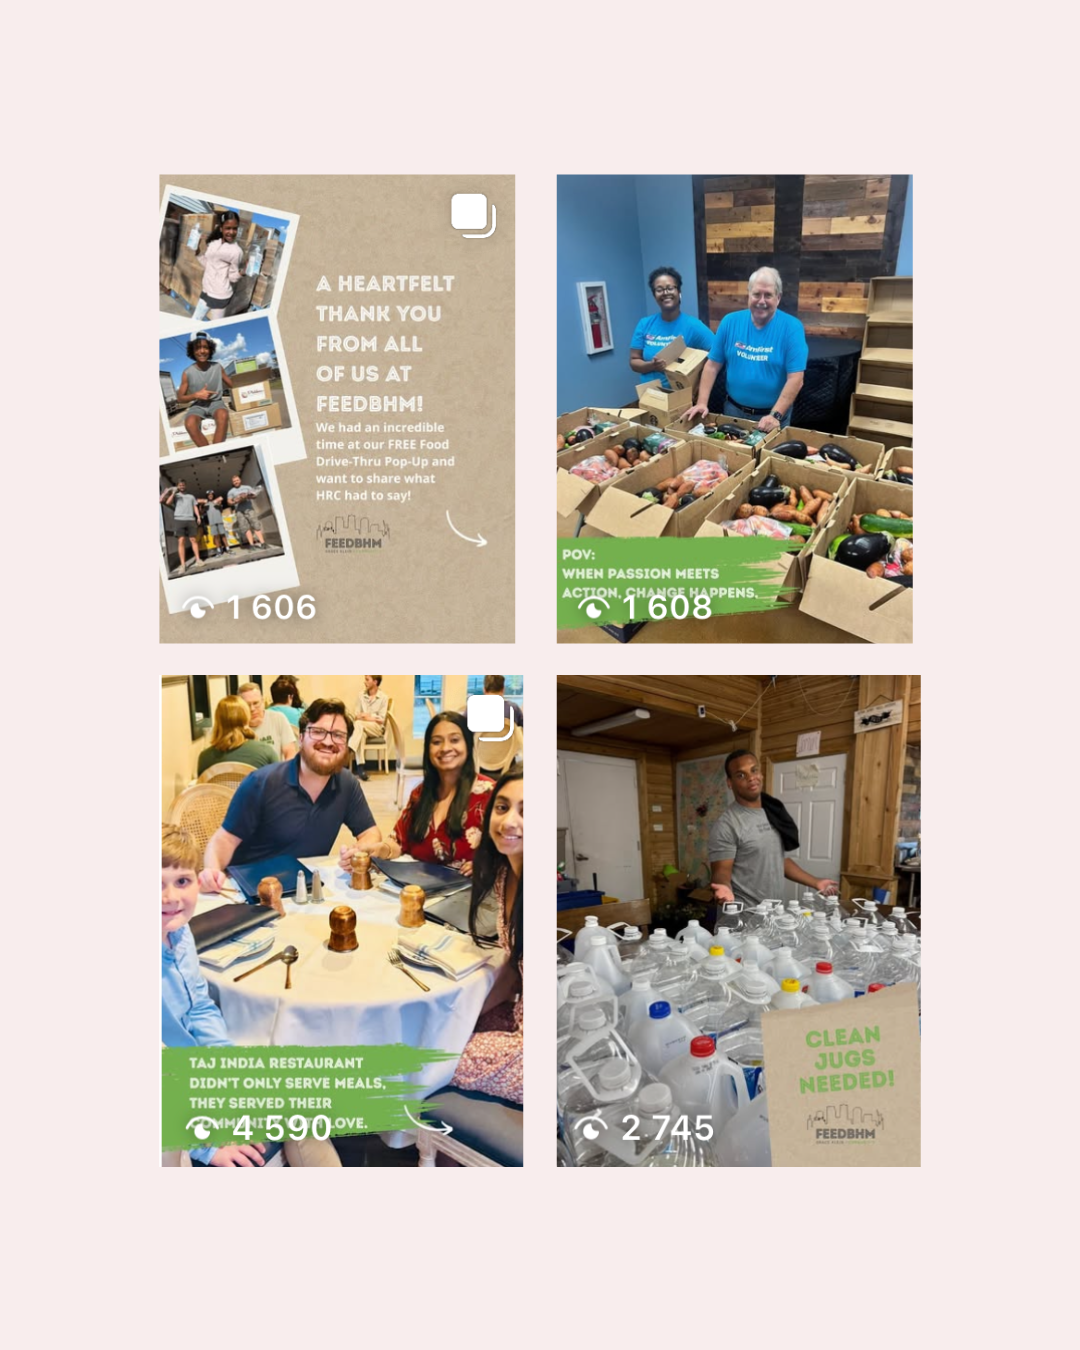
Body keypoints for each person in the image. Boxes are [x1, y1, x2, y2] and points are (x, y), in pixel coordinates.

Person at [162, 824, 340, 1167]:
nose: (170, 897)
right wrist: (208, 1146)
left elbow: (199, 1007)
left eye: (181, 881)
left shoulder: (180, 934)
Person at [199, 697, 383, 889]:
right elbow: (224, 839)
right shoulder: (261, 783)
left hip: (304, 886)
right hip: (252, 890)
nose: (328, 742)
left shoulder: (347, 784)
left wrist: (360, 851)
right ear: (301, 738)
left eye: (338, 735)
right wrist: (212, 871)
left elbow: (371, 833)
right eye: (318, 732)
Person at [449, 768, 523, 1104]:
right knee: (434, 1029)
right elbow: (512, 970)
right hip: (518, 1012)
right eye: (503, 807)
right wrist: (469, 1015)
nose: (509, 822)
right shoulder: (505, 874)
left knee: (431, 1058)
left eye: (527, 811)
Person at [708, 750, 838, 909]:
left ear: (761, 774)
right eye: (741, 775)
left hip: (775, 915)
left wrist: (816, 882)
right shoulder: (726, 825)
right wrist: (724, 887)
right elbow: (721, 871)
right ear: (730, 783)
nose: (751, 777)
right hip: (745, 917)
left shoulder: (773, 812)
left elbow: (779, 859)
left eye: (754, 770)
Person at [683, 267, 807, 432]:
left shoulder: (792, 328)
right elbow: (712, 366)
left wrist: (775, 415)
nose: (761, 301)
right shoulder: (730, 322)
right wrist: (701, 402)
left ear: (778, 298)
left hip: (772, 417)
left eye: (768, 295)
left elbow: (796, 379)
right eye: (756, 294)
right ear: (748, 295)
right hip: (733, 412)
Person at [379, 712, 493, 874]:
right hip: (418, 891)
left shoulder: (489, 794)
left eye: (454, 740)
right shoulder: (420, 794)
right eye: (436, 742)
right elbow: (398, 841)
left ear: (468, 745)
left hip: (467, 892)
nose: (445, 748)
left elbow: (511, 849)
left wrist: (487, 863)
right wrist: (378, 850)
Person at [629, 267, 715, 392]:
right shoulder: (645, 324)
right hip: (649, 395)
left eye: (670, 288)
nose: (665, 293)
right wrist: (652, 366)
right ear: (654, 295)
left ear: (679, 291)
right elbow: (634, 361)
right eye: (659, 289)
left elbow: (716, 354)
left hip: (681, 397)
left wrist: (698, 381)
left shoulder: (693, 325)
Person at [196, 695, 279, 776]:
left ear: (218, 721)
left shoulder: (204, 758)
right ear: (246, 718)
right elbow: (280, 783)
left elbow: (203, 787)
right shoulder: (265, 751)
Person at [176, 331, 233, 446]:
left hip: (216, 403)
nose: (202, 351)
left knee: (223, 415)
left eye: (205, 347)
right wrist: (195, 395)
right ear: (192, 351)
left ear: (210, 350)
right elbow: (180, 398)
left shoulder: (217, 367)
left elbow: (232, 384)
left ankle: (217, 451)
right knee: (190, 423)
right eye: (197, 348)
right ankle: (208, 453)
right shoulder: (187, 372)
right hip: (198, 405)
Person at [192, 211, 244, 321]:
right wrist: (197, 252)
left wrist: (242, 272)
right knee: (194, 321)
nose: (231, 232)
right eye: (228, 228)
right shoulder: (213, 243)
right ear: (221, 228)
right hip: (206, 291)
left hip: (220, 296)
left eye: (235, 228)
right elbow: (208, 264)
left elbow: (232, 277)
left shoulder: (236, 251)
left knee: (215, 327)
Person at [238, 682, 297, 760]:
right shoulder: (237, 725)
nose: (252, 709)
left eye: (256, 703)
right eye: (247, 705)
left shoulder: (278, 718)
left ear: (262, 701)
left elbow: (290, 751)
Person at [159, 478, 202, 572]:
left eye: (183, 485)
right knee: (181, 541)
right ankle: (183, 565)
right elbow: (167, 502)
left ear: (185, 486)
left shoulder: (191, 496)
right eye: (180, 485)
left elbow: (195, 506)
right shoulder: (176, 495)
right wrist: (173, 492)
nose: (182, 486)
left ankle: (198, 560)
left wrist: (198, 517)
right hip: (179, 519)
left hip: (191, 519)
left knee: (193, 539)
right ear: (178, 486)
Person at [350, 674, 388, 781]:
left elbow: (381, 719)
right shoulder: (361, 695)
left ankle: (349, 749)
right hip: (363, 727)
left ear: (375, 682)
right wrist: (371, 717)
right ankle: (361, 768)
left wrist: (366, 716)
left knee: (359, 725)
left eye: (367, 679)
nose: (364, 682)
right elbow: (356, 715)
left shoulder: (383, 697)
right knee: (360, 732)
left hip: (376, 728)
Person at [227, 474, 266, 548]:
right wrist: (235, 501)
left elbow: (254, 496)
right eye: (234, 481)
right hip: (239, 511)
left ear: (240, 480)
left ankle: (263, 543)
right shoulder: (231, 492)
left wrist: (247, 496)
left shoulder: (247, 487)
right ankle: (251, 545)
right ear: (232, 483)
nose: (236, 482)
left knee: (256, 525)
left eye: (237, 480)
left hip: (249, 509)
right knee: (245, 528)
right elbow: (229, 502)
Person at [198, 489, 232, 557]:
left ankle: (228, 549)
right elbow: (201, 512)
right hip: (212, 522)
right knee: (216, 536)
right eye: (209, 495)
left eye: (211, 495)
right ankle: (219, 550)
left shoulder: (217, 501)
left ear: (213, 495)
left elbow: (221, 510)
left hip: (219, 521)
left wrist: (219, 504)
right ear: (207, 496)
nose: (210, 496)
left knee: (223, 535)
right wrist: (201, 505)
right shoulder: (206, 504)